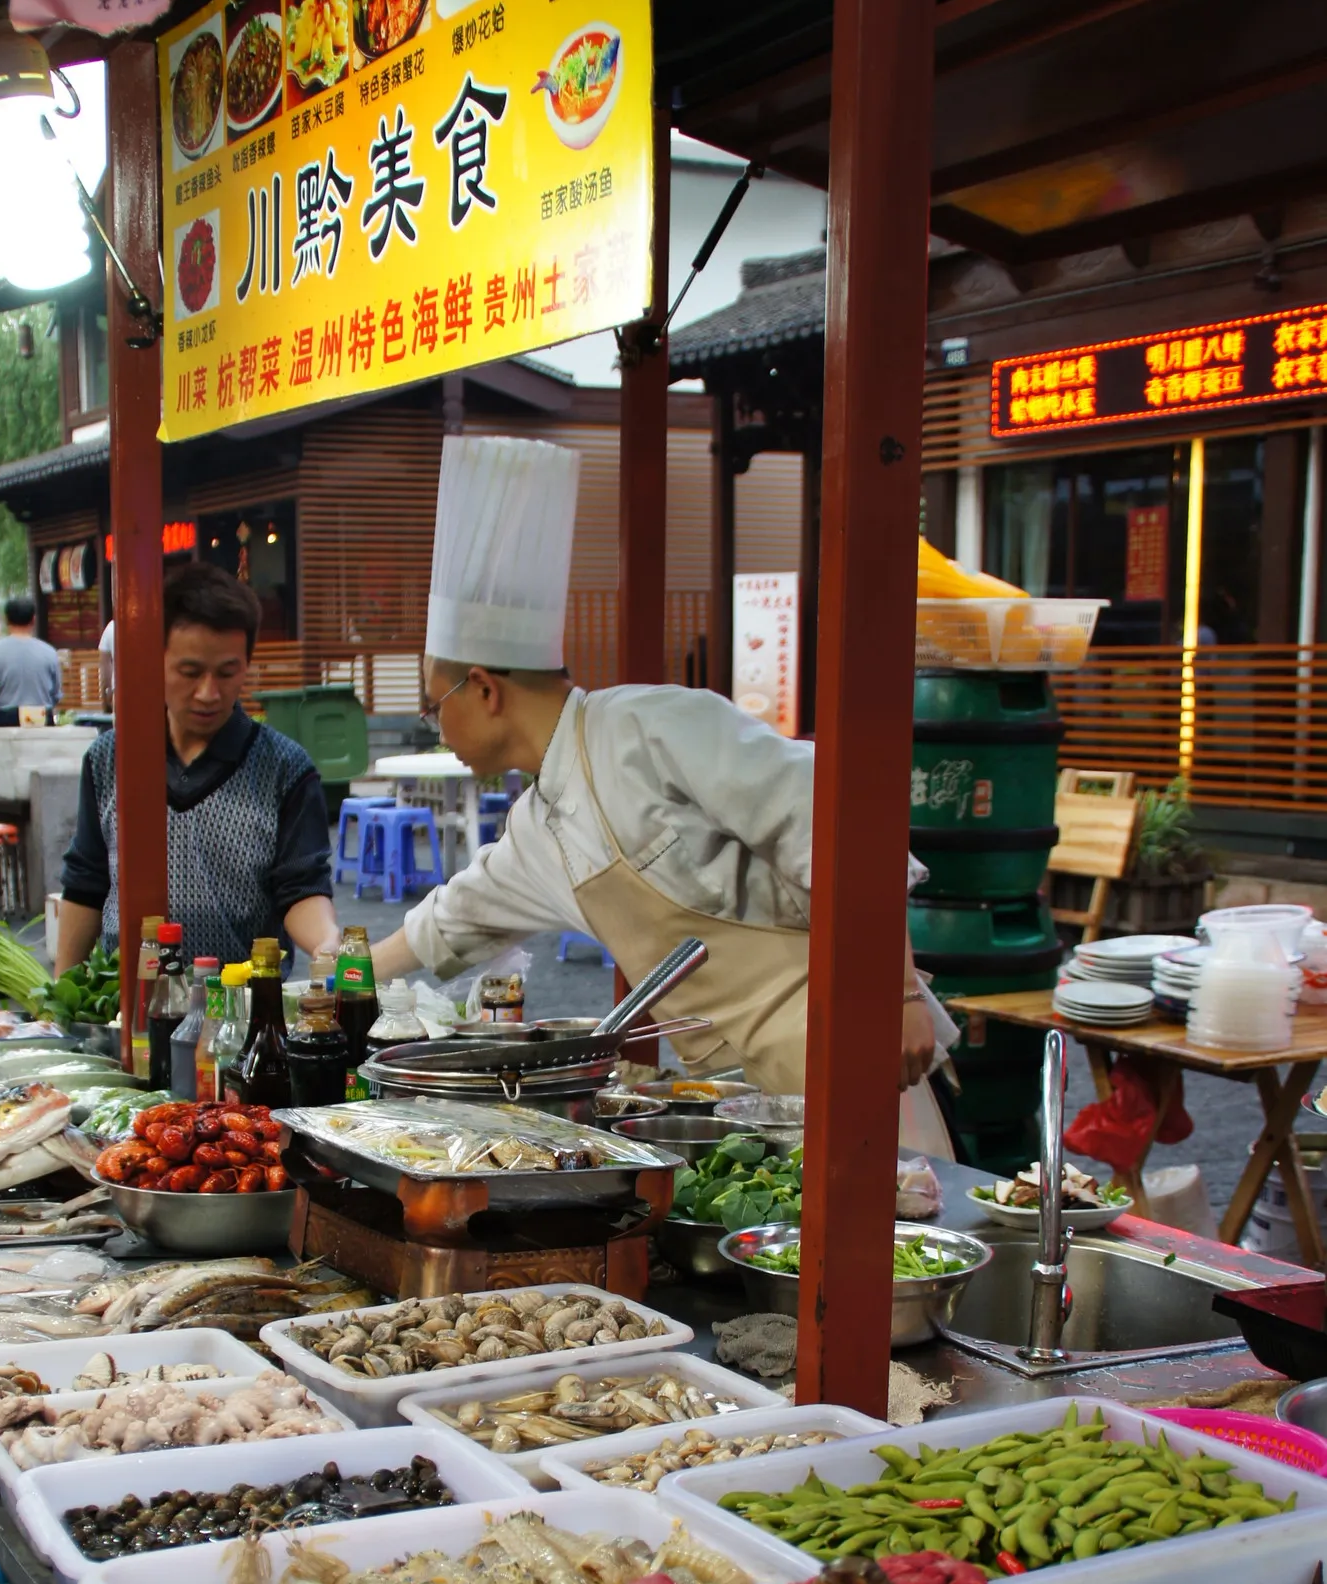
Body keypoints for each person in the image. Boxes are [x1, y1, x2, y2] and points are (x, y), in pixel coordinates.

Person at [365, 436, 939, 1095]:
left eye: (435, 706)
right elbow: (447, 922)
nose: (437, 727)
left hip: (863, 1060)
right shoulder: (534, 828)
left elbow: (834, 819)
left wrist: (895, 995)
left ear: (484, 690)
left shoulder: (651, 725)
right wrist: (334, 983)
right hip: (736, 1100)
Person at [56, 561, 336, 972]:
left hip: (243, 1010)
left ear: (246, 665)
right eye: (190, 672)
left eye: (227, 673)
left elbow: (301, 886)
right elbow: (85, 883)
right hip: (127, 1005)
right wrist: (60, 991)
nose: (208, 693)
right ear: (156, 661)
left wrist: (327, 942)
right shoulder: (110, 759)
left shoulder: (284, 768)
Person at [0, 596, 61, 740]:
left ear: (7, 620)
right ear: (33, 619)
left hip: (7, 718)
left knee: (9, 761)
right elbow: (55, 694)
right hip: (40, 716)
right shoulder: (49, 652)